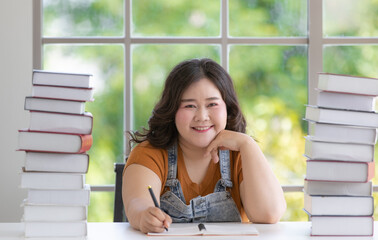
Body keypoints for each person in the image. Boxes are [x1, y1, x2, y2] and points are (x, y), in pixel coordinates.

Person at [122, 58, 286, 233]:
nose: (202, 116)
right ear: (172, 110)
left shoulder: (241, 154)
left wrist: (247, 143)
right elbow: (136, 204)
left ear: (227, 108)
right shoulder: (150, 153)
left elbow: (269, 214)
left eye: (212, 104)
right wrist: (143, 216)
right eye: (189, 105)